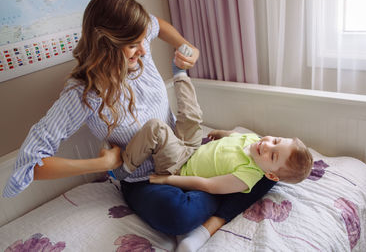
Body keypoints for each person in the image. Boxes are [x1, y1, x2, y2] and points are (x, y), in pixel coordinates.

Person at [2, 0, 276, 252]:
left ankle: (215, 218)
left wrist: (187, 46)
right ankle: (226, 194)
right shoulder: (82, 95)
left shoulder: (139, 44)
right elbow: (32, 164)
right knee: (181, 214)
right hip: (144, 179)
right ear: (105, 45)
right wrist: (103, 164)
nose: (144, 52)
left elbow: (158, 25)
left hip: (183, 153)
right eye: (133, 46)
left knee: (270, 170)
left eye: (142, 41)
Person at [103, 56, 313, 251]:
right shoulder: (255, 140)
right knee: (194, 115)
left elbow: (208, 186)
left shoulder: (247, 175)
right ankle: (180, 74)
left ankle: (123, 169)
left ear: (271, 175)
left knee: (156, 127)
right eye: (275, 140)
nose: (267, 146)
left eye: (273, 156)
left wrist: (169, 179)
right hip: (192, 148)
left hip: (179, 164)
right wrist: (222, 133)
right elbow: (235, 135)